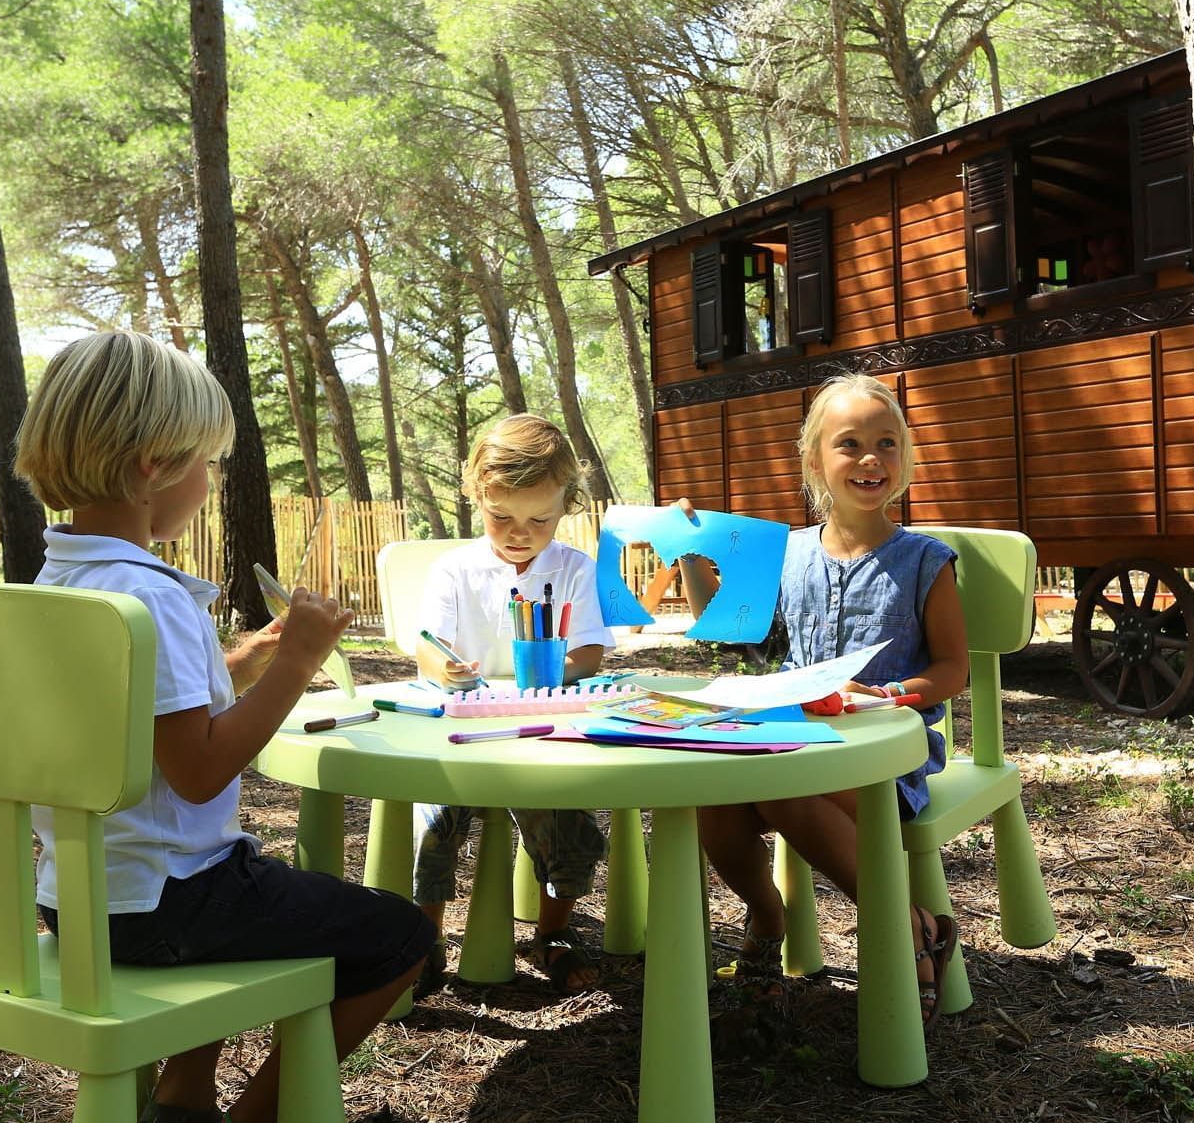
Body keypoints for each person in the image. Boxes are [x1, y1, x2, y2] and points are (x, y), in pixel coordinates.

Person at [14, 331, 431, 1123]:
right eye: (206, 462)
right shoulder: (154, 594)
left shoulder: (59, 578)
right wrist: (298, 663)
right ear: (153, 466)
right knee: (398, 938)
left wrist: (243, 659)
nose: (209, 481)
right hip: (166, 906)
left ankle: (182, 1093)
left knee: (250, 877)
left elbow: (134, 710)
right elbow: (200, 770)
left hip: (75, 902)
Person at [684, 372, 968, 1028]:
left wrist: (894, 692)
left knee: (782, 786)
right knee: (714, 798)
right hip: (800, 740)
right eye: (850, 444)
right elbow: (727, 630)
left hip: (884, 757)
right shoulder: (786, 554)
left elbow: (954, 669)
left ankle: (912, 931)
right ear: (815, 459)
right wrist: (693, 555)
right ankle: (765, 914)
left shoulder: (926, 560)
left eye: (886, 444)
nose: (870, 459)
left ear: (905, 457)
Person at [413, 414, 615, 995]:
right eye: (501, 516)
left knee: (569, 827)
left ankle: (553, 932)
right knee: (433, 822)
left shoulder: (573, 568)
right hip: (464, 729)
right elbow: (428, 648)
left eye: (539, 519)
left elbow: (591, 653)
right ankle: (426, 937)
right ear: (477, 496)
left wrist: (552, 672)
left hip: (545, 731)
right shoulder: (455, 568)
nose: (519, 532)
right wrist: (446, 667)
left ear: (566, 506)